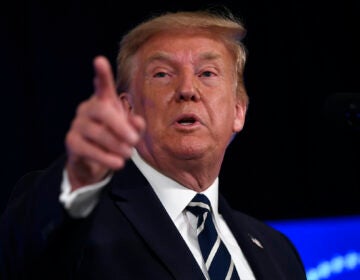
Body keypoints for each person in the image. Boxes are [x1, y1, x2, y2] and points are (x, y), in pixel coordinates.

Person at [0, 8, 307, 280]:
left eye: (207, 73)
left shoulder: (278, 252)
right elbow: (22, 254)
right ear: (127, 108)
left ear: (239, 111)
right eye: (162, 74)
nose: (187, 89)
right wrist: (76, 178)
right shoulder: (85, 220)